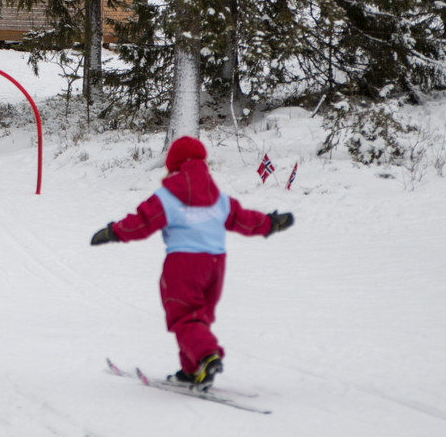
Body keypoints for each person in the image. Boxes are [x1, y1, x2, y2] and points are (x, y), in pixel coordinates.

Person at [90, 136, 294, 389]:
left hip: (184, 264)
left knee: (184, 316)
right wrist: (269, 223)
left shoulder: (169, 196)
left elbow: (142, 222)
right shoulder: (218, 198)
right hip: (215, 265)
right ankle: (192, 369)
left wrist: (114, 232)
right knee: (198, 319)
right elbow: (243, 219)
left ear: (173, 165)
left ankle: (207, 356)